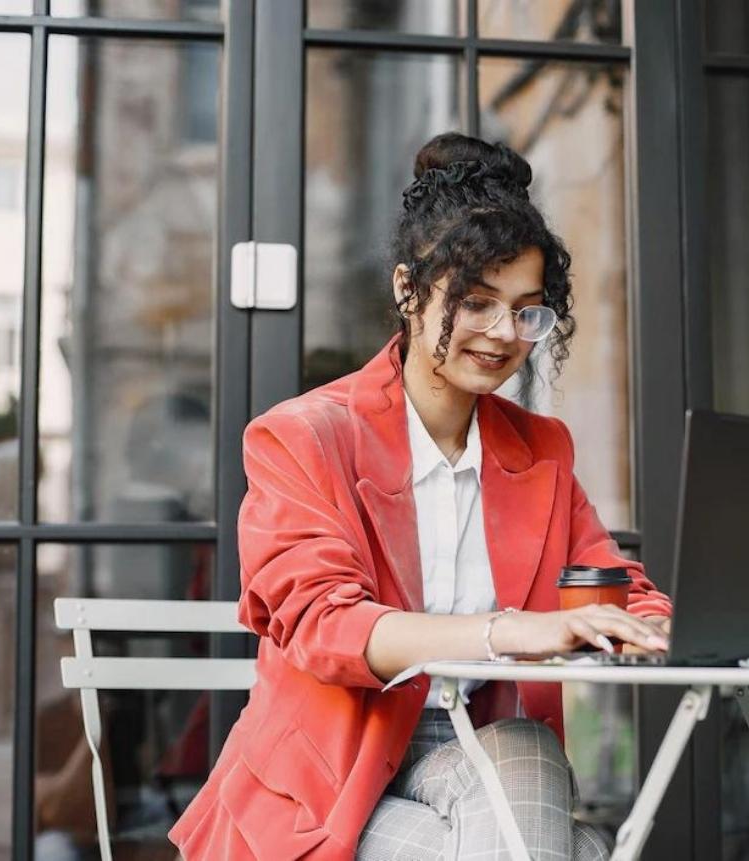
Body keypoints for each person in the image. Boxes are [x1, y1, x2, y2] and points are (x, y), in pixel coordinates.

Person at [168, 132, 673, 860]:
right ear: (408, 288)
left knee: (527, 755)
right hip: (330, 782)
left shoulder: (542, 451)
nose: (505, 334)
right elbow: (327, 627)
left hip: (479, 757)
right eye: (476, 302)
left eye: (527, 311)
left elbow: (616, 588)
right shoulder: (301, 436)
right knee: (578, 849)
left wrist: (656, 624)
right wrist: (506, 630)